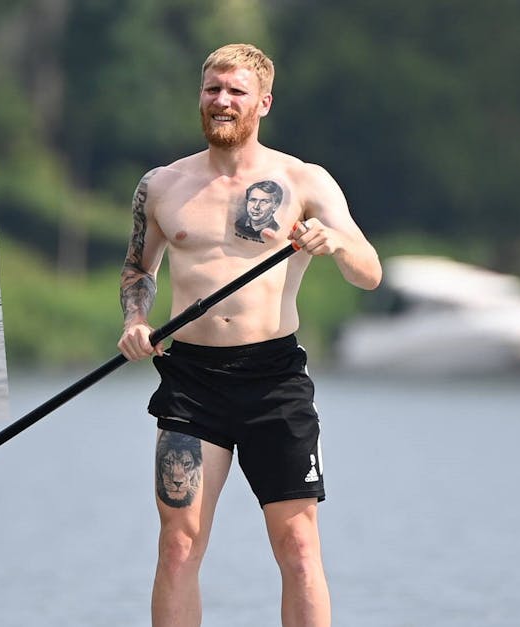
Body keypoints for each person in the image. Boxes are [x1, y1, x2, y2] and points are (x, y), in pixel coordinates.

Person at [118, 43, 381, 627]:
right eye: (212, 89)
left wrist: (335, 243)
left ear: (263, 101)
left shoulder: (303, 180)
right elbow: (139, 269)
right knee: (179, 547)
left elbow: (370, 271)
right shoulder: (162, 185)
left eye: (236, 91)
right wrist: (136, 322)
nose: (222, 101)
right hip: (190, 383)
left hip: (273, 382)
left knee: (298, 548)